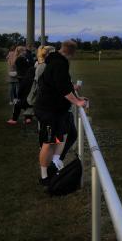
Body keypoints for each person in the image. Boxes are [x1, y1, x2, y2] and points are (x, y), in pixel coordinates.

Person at [34, 40, 87, 185]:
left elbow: (66, 84)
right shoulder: (59, 63)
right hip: (48, 110)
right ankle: (44, 176)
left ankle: (55, 164)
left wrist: (77, 97)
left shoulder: (58, 61)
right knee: (48, 142)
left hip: (56, 110)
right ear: (72, 52)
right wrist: (77, 102)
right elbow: (63, 88)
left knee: (59, 138)